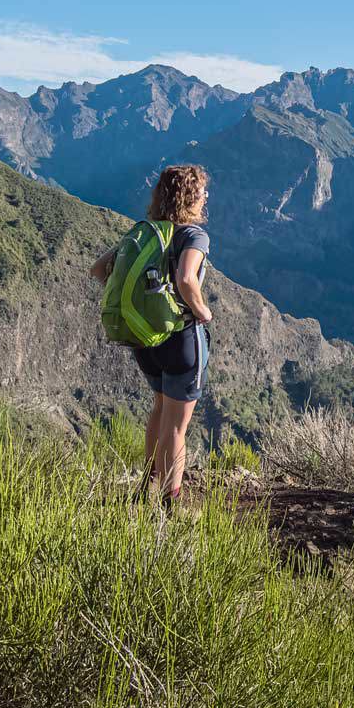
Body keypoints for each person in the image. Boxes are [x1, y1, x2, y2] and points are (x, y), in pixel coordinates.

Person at [91, 165, 213, 503]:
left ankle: (146, 488)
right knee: (177, 426)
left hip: (145, 339)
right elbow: (187, 278)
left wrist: (142, 305)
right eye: (203, 193)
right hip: (180, 338)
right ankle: (171, 502)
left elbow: (100, 269)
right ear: (191, 198)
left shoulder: (144, 232)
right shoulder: (193, 235)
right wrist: (202, 311)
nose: (206, 199)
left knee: (159, 408)